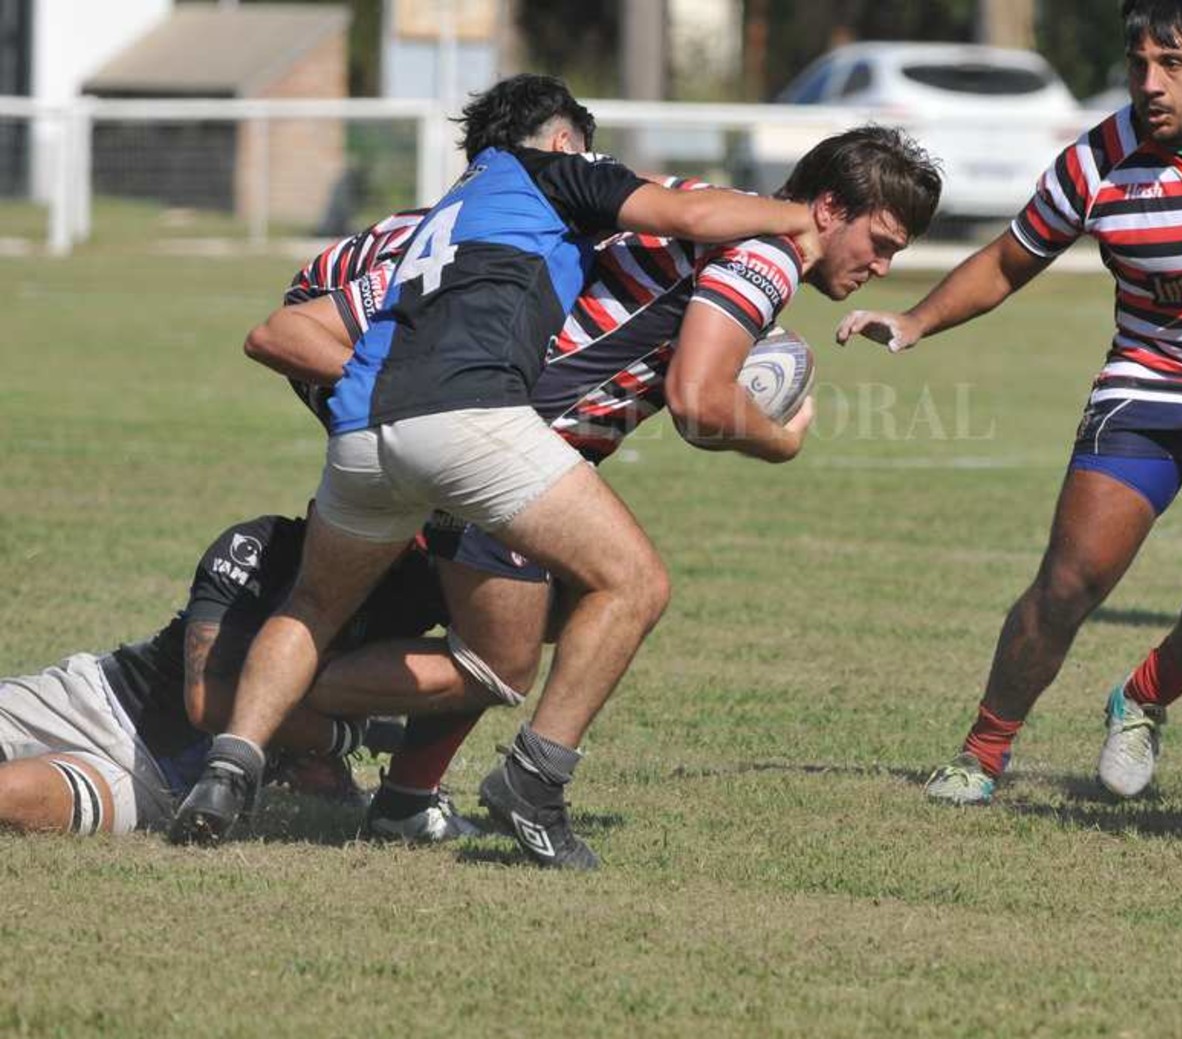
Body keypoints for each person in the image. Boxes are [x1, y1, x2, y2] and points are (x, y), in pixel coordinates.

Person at [165, 70, 829, 857]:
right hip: (468, 418)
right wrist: (799, 217)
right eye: (592, 154)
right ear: (561, 143)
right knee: (598, 602)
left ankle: (232, 766)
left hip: (366, 428)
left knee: (316, 604)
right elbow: (686, 212)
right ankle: (516, 779)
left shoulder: (453, 215)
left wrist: (389, 391)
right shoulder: (548, 179)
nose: (605, 170)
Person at [245, 125, 944, 865]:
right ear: (829, 208)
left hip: (480, 422)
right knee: (596, 607)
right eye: (880, 239)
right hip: (506, 446)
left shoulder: (697, 205)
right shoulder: (766, 256)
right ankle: (461, 759)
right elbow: (699, 402)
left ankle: (402, 794)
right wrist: (779, 437)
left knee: (565, 614)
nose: (882, 264)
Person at [837, 0, 1182, 805]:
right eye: (1138, 64)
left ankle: (1144, 695)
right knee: (1070, 580)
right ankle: (982, 753)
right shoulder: (1098, 161)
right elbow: (1009, 261)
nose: (1150, 84)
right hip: (1148, 383)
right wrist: (914, 320)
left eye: (1172, 64)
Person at [0, 514, 461, 836]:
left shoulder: (416, 592)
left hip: (146, 781)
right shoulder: (262, 546)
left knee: (8, 797)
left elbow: (493, 652)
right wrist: (339, 737)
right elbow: (210, 703)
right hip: (92, 696)